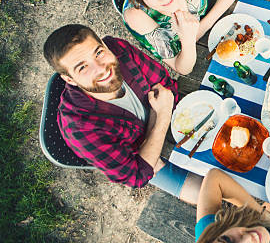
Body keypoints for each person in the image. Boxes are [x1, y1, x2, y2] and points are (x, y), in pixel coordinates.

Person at [43, 24, 202, 202]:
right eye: (82, 67)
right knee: (208, 195)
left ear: (104, 45)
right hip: (149, 163)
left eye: (98, 53)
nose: (101, 68)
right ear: (69, 79)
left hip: (161, 139)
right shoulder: (79, 129)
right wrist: (162, 115)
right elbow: (138, 175)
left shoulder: (119, 49)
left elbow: (167, 85)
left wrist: (151, 144)